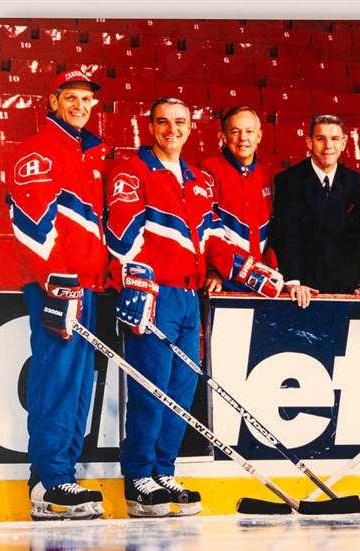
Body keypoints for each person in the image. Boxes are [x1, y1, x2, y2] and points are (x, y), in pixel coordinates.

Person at [105, 97, 283, 518]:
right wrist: (134, 280)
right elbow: (122, 232)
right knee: (150, 389)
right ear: (151, 127)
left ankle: (164, 470)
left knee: (181, 391)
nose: (172, 129)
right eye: (164, 122)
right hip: (155, 294)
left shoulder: (197, 180)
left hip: (189, 299)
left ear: (190, 128)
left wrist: (251, 271)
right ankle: (139, 479)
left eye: (180, 122)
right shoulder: (131, 171)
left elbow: (213, 239)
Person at [8, 70, 109, 520]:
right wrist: (58, 281)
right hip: (59, 288)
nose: (80, 106)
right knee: (58, 381)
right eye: (71, 98)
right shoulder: (37, 152)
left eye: (86, 99)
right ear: (53, 101)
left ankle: (59, 477)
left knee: (80, 386)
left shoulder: (83, 153)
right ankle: (50, 481)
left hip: (86, 289)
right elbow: (32, 227)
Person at [269, 114, 360, 309]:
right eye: (321, 139)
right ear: (309, 142)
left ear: (344, 143)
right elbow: (287, 234)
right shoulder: (289, 180)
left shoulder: (354, 182)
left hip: (344, 286)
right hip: (304, 289)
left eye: (335, 139)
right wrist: (293, 281)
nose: (328, 146)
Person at [199, 106, 275, 292]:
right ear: (223, 136)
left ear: (259, 136)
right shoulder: (208, 170)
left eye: (249, 131)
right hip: (224, 279)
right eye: (235, 132)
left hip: (262, 279)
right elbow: (201, 226)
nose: (243, 138)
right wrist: (210, 270)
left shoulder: (269, 173)